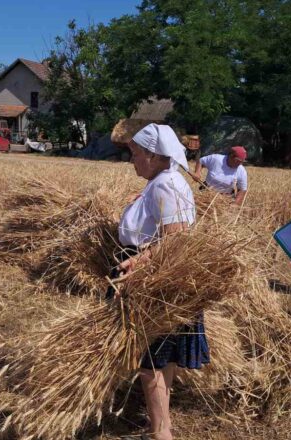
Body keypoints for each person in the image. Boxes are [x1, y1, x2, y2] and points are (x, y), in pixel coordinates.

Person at [111, 123, 204, 440]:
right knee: (162, 359)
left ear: (153, 155)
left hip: (153, 282)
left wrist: (136, 264)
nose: (132, 160)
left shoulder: (166, 184)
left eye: (135, 154)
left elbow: (175, 240)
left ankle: (161, 433)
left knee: (149, 360)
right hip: (152, 275)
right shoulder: (162, 181)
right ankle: (161, 427)